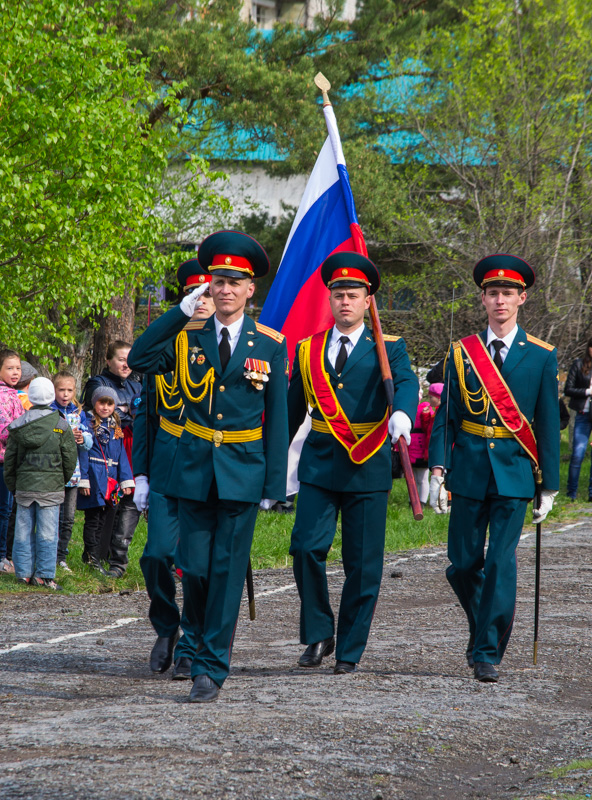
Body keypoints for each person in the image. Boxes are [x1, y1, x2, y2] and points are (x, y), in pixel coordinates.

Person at [128, 229, 289, 703]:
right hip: (194, 469)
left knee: (225, 571)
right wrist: (177, 313)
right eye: (217, 281)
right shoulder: (187, 335)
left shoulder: (269, 343)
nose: (225, 289)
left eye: (234, 281)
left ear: (249, 289)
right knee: (194, 568)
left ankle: (210, 667)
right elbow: (139, 358)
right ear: (208, 287)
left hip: (242, 470)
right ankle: (194, 641)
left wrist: (273, 483)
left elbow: (277, 417)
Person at [428, 254, 560, 683]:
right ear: (483, 298)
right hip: (467, 469)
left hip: (515, 471)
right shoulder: (461, 351)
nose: (500, 300)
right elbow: (446, 414)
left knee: (501, 562)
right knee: (463, 564)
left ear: (522, 298)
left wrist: (550, 486)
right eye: (492, 293)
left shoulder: (541, 356)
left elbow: (547, 423)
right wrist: (437, 466)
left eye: (508, 293)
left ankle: (487, 651)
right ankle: (485, 621)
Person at [287, 252, 419, 674]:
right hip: (321, 461)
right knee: (305, 548)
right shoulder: (308, 349)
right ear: (330, 299)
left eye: (353, 295)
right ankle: (319, 632)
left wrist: (404, 413)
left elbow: (407, 384)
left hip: (368, 464)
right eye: (339, 294)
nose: (345, 301)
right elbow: (292, 413)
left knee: (362, 564)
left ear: (368, 301)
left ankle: (349, 647)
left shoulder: (390, 348)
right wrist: (263, 462)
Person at [132, 258, 216, 679]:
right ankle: (167, 626)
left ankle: (193, 641)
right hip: (166, 468)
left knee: (198, 566)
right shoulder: (162, 348)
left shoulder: (232, 345)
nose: (202, 301)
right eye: (194, 294)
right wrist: (141, 473)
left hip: (209, 470)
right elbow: (145, 417)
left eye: (209, 292)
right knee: (157, 555)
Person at [4, 377, 78, 590]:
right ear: (52, 395)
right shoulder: (61, 425)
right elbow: (69, 459)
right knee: (48, 532)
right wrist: (60, 480)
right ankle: (44, 575)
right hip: (51, 487)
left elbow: (10, 461)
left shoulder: (18, 426)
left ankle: (23, 573)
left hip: (24, 488)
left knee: (22, 531)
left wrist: (14, 486)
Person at [83, 341, 142, 576]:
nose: (126, 364)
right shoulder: (98, 382)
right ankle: (94, 555)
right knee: (105, 504)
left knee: (124, 501)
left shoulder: (136, 384)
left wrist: (128, 411)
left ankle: (114, 555)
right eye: (120, 359)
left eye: (129, 359)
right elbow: (108, 410)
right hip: (106, 448)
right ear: (109, 360)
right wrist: (126, 410)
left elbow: (139, 411)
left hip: (131, 447)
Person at [77, 387, 135, 574]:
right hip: (94, 474)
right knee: (93, 518)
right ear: (94, 403)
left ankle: (93, 554)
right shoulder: (88, 423)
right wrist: (84, 479)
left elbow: (122, 456)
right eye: (102, 402)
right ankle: (91, 555)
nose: (105, 407)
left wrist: (126, 480)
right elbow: (83, 453)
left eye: (110, 404)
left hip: (110, 478)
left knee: (103, 518)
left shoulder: (115, 427)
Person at [51, 371, 93, 571]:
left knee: (68, 519)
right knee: (52, 517)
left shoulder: (78, 412)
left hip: (73, 474)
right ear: (54, 390)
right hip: (53, 474)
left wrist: (82, 438)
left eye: (69, 390)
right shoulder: (50, 410)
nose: (65, 394)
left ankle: (62, 557)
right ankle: (48, 555)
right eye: (61, 390)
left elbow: (88, 440)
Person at [0, 349, 24, 574]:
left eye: (18, 368)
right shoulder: (4, 395)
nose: (15, 372)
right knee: (4, 509)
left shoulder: (13, 393)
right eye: (10, 368)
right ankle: (1, 556)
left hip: (8, 459)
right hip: (4, 459)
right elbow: (6, 430)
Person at [564, 337, 592, 500]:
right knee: (577, 454)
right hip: (582, 415)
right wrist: (587, 392)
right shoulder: (579, 365)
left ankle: (591, 493)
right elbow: (568, 389)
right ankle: (571, 493)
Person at [409, 383, 443, 505]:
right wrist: (425, 416)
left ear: (439, 398)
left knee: (436, 476)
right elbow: (428, 428)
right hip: (429, 448)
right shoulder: (435, 413)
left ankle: (439, 502)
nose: (429, 399)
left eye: (431, 397)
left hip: (438, 448)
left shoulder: (442, 413)